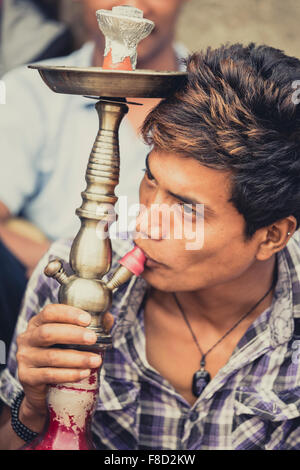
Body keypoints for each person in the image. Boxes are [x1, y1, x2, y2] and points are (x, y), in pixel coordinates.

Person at [1, 42, 300, 450]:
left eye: (188, 209)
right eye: (150, 179)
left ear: (272, 235)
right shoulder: (73, 273)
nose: (143, 223)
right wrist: (33, 408)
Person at [0, 0, 189, 353]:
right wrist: (71, 270)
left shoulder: (221, 103)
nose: (132, 6)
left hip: (177, 310)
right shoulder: (29, 92)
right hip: (44, 303)